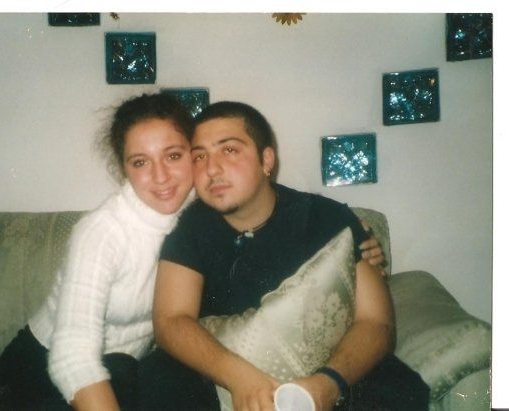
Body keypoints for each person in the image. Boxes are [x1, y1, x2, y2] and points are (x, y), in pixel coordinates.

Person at [139, 101, 430, 411]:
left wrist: (329, 383)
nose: (212, 169)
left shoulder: (327, 218)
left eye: (230, 150)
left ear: (266, 160)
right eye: (200, 156)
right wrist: (239, 378)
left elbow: (376, 322)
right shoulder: (188, 227)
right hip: (219, 370)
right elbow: (171, 320)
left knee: (400, 390)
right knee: (154, 384)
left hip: (324, 365)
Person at [0, 93, 196, 410]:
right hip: (40, 372)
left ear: (194, 154)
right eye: (140, 162)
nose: (161, 176)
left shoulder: (200, 217)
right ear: (124, 169)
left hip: (121, 370)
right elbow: (72, 356)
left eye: (173, 155)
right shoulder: (103, 231)